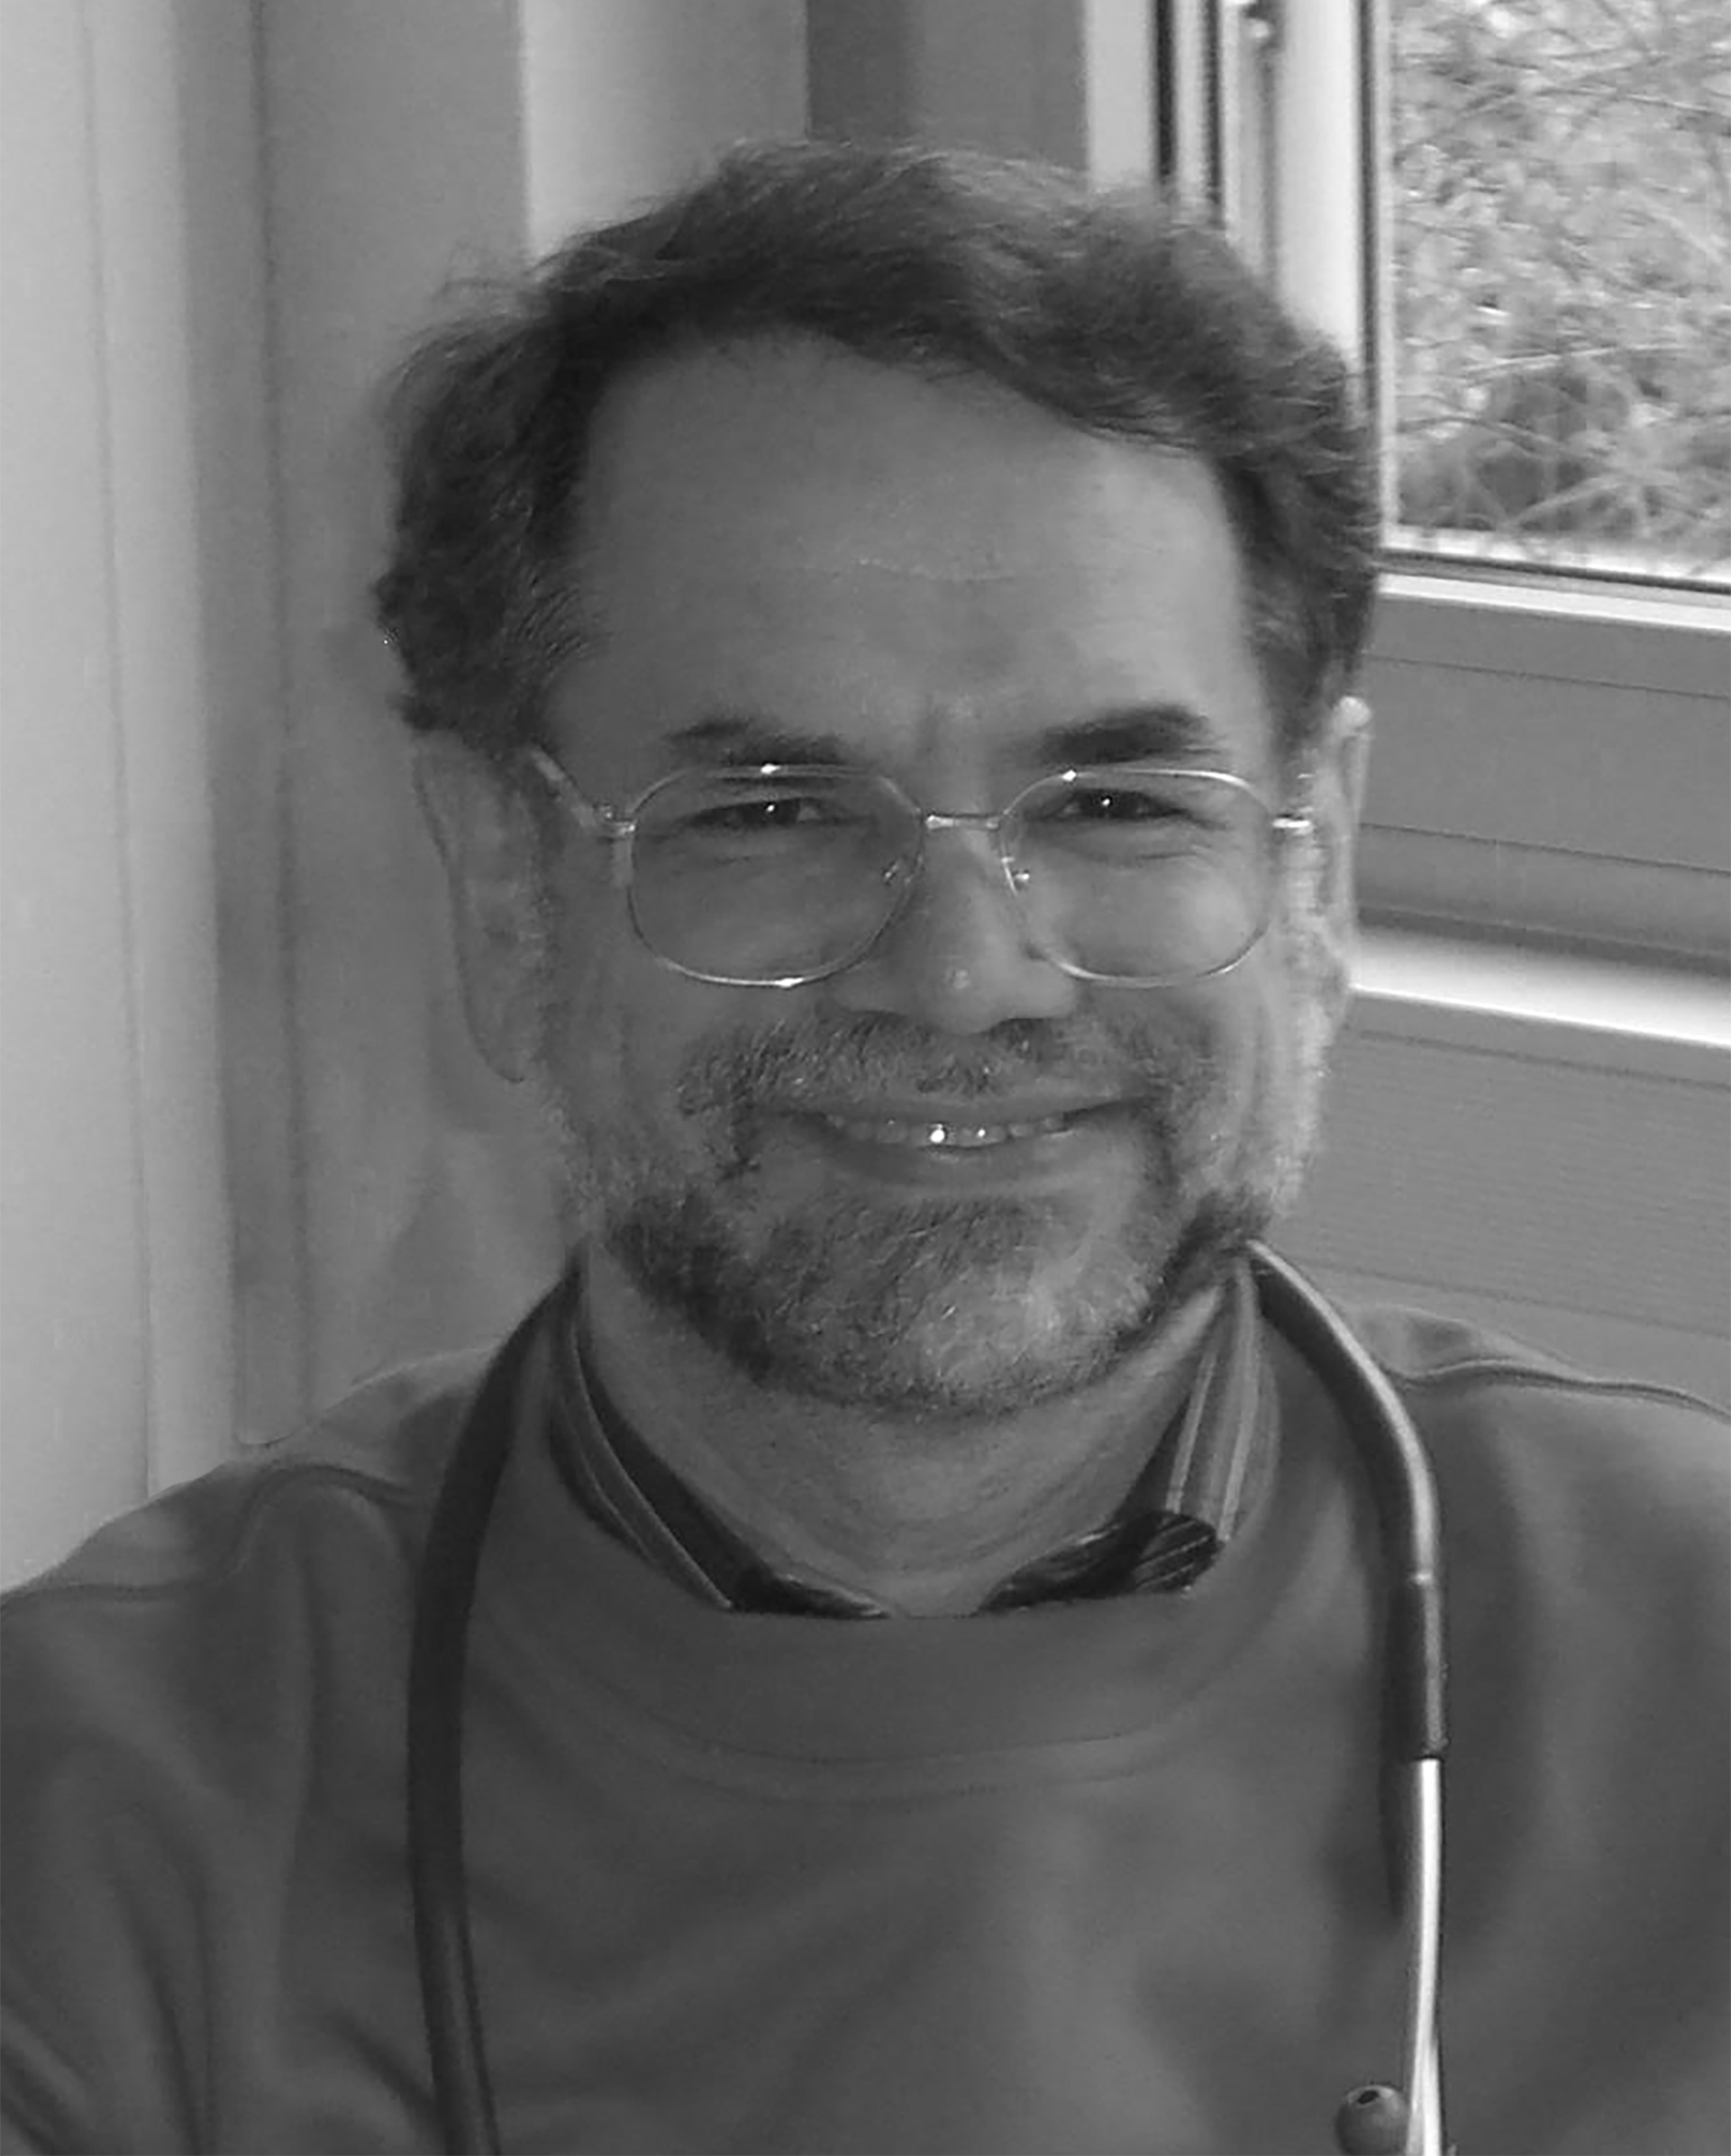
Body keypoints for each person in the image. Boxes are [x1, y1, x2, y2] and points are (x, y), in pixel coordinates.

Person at [3, 141, 1726, 2156]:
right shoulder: (98, 1822)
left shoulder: (1688, 1658)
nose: (968, 975)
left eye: (1116, 804)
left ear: (1314, 873)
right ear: (510, 895)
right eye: (765, 810)